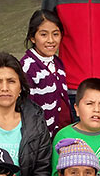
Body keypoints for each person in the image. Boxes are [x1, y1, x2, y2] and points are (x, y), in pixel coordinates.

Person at [20, 9, 72, 138]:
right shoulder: (28, 67)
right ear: (32, 37)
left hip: (62, 133)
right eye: (43, 35)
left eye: (55, 34)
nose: (51, 40)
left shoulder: (58, 63)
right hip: (41, 138)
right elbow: (26, 108)